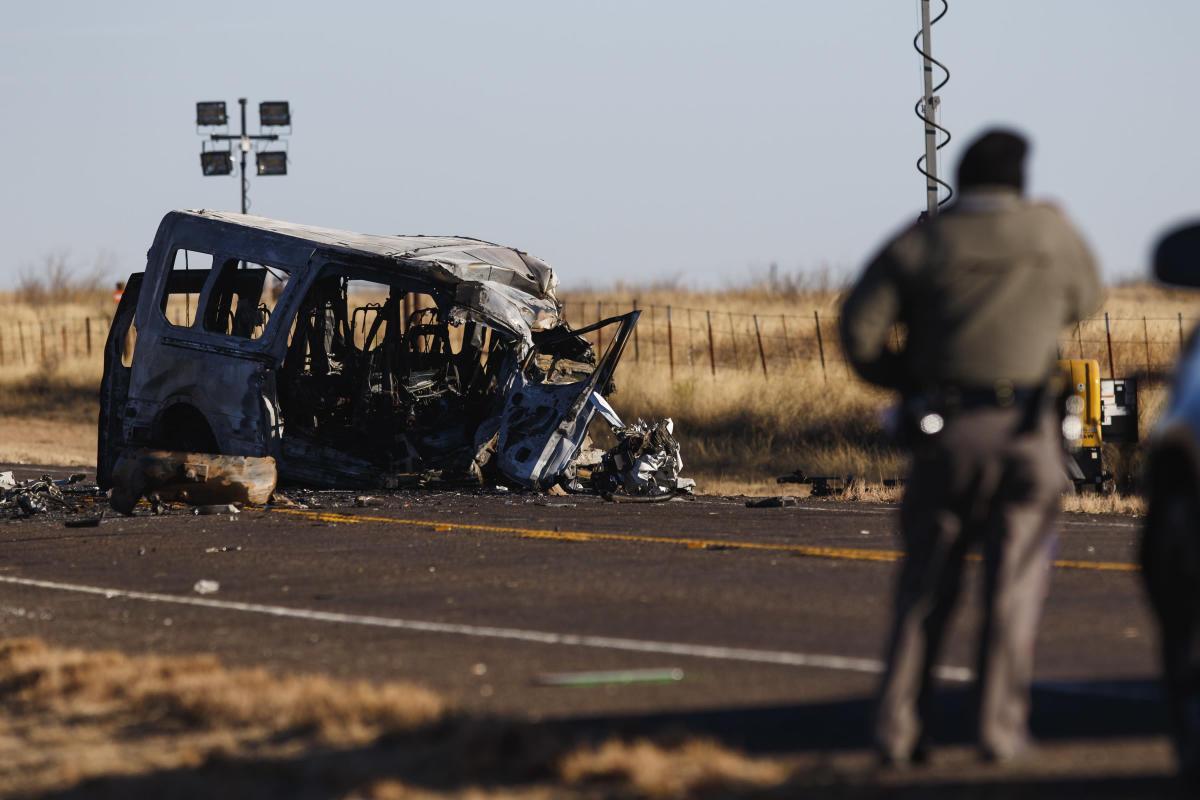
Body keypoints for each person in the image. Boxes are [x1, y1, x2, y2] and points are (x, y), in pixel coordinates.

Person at [839, 128, 1101, 764]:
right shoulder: (1050, 234)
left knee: (926, 586)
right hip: (1029, 433)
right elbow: (1087, 300)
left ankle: (899, 733)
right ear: (1020, 178)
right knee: (1014, 589)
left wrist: (910, 379)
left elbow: (859, 332)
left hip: (947, 431)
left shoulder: (922, 239)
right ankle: (998, 731)